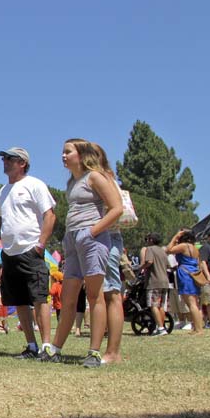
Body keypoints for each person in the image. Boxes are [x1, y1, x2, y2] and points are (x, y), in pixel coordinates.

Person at [43, 139, 122, 368]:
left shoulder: (95, 176)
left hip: (92, 239)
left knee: (95, 296)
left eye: (68, 152)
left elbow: (117, 208)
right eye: (63, 152)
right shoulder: (73, 181)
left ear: (81, 154)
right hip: (73, 240)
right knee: (67, 297)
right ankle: (56, 348)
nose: (63, 156)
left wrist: (92, 232)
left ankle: (94, 352)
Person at [0, 147, 56, 359]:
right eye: (4, 158)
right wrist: (4, 238)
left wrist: (40, 244)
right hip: (10, 253)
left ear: (22, 163)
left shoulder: (34, 185)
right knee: (19, 301)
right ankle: (31, 345)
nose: (5, 161)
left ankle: (46, 346)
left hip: (31, 250)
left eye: (10, 158)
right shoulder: (3, 191)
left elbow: (50, 215)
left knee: (39, 298)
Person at [91, 142, 126, 362]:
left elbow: (116, 208)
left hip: (108, 237)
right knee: (104, 293)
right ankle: (107, 348)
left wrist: (92, 230)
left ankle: (113, 352)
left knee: (112, 293)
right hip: (103, 238)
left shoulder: (102, 177)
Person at [166, 230, 204, 334]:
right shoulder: (195, 248)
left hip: (185, 274)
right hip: (193, 273)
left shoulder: (184, 246)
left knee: (191, 304)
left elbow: (168, 250)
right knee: (194, 303)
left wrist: (175, 236)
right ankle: (196, 327)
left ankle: (199, 330)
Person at [140, 232, 170, 336]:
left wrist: (141, 268)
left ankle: (160, 328)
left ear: (151, 240)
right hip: (164, 281)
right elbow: (167, 265)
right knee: (161, 306)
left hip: (154, 281)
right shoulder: (162, 251)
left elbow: (149, 261)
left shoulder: (150, 249)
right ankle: (162, 327)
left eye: (147, 239)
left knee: (153, 305)